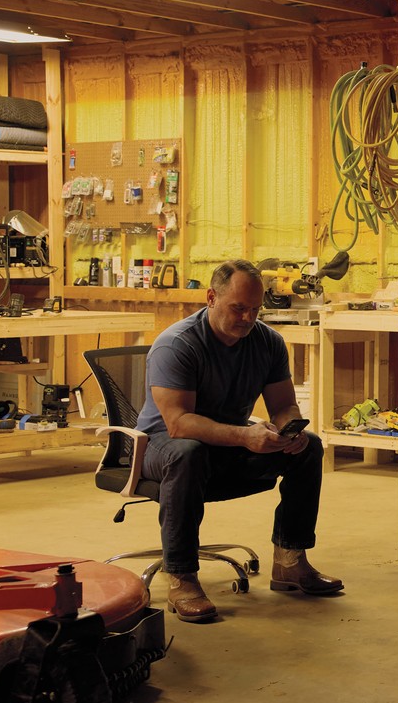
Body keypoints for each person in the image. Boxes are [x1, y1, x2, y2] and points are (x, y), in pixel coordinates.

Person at [135, 259, 342, 623]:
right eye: (238, 308)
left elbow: (283, 405)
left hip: (227, 443)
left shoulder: (268, 342)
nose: (247, 318)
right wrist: (246, 436)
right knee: (188, 453)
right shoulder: (177, 344)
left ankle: (290, 562)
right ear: (212, 297)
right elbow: (179, 423)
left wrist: (288, 430)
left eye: (255, 309)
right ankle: (181, 576)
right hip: (160, 445)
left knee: (308, 448)